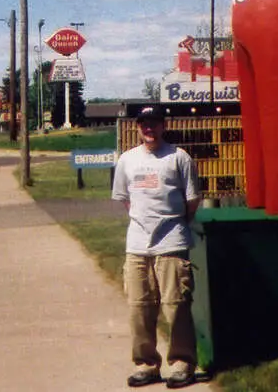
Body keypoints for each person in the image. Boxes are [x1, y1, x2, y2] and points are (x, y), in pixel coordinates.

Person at [112, 104, 202, 389]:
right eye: (143, 123)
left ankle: (181, 362)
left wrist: (173, 225)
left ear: (164, 125)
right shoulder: (127, 160)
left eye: (154, 123)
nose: (149, 128)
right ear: (138, 127)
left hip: (172, 243)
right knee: (139, 308)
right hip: (137, 246)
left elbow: (192, 201)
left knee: (176, 306)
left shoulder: (179, 158)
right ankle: (146, 364)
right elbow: (126, 200)